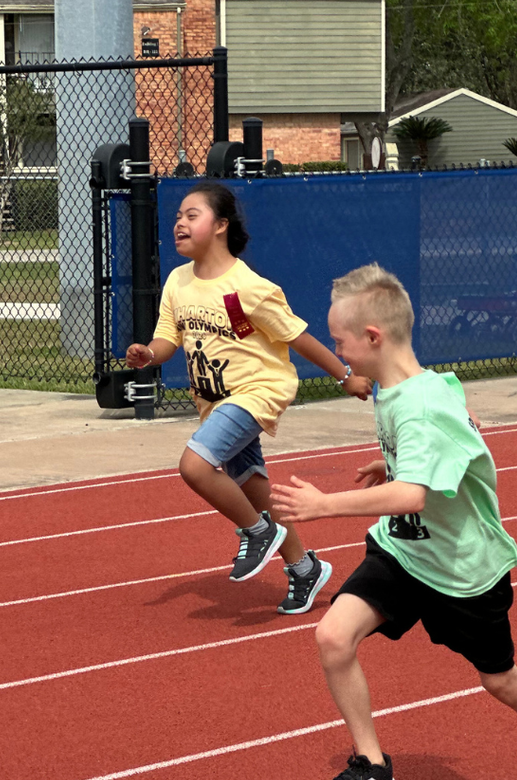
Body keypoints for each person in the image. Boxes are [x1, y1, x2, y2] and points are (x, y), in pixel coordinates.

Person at [271, 264, 517, 780]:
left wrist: (324, 505)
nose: (339, 354)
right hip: (405, 551)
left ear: (373, 338)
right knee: (334, 637)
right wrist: (394, 463)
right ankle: (372, 765)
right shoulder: (409, 389)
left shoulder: (420, 405)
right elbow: (449, 442)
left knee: (500, 681)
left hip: (462, 570)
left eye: (340, 342)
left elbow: (413, 497)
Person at [126, 182, 371, 614]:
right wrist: (149, 354)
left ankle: (256, 532)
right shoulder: (178, 282)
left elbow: (298, 337)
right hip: (215, 403)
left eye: (192, 215)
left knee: (195, 465)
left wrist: (345, 376)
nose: (179, 223)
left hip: (258, 392)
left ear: (220, 226)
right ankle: (303, 569)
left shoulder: (249, 288)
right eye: (178, 217)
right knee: (253, 489)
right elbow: (167, 337)